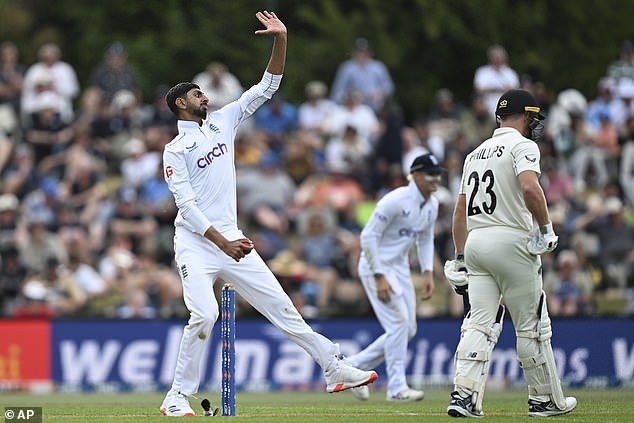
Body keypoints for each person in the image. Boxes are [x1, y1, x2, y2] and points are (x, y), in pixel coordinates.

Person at [159, 11, 377, 417]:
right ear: (179, 104)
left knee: (284, 310)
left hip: (231, 239)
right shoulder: (174, 150)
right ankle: (176, 396)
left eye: (205, 93)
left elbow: (267, 86)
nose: (205, 97)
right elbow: (186, 209)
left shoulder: (223, 121)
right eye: (197, 94)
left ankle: (333, 368)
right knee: (204, 314)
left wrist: (281, 39)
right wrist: (222, 242)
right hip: (198, 243)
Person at [443, 89, 577, 417]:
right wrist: (546, 229)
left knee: (478, 324)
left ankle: (464, 396)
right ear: (526, 116)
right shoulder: (523, 145)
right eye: (534, 119)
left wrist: (460, 257)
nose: (536, 126)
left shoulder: (474, 154)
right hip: (512, 242)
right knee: (532, 325)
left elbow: (459, 211)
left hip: (476, 244)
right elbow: (530, 188)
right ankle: (544, 399)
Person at [345, 153, 441, 402]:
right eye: (431, 174)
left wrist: (428, 271)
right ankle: (396, 388)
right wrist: (379, 276)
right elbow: (367, 237)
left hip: (399, 267)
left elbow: (425, 238)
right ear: (416, 175)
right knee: (398, 324)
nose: (436, 179)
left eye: (438, 174)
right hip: (374, 266)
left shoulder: (432, 204)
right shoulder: (395, 200)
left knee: (408, 329)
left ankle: (352, 368)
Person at [330, 37, 394, 113]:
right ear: (354, 53)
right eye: (359, 52)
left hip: (376, 109)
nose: (362, 54)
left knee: (394, 112)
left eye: (364, 52)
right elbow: (336, 94)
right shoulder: (346, 68)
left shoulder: (378, 67)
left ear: (369, 53)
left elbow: (389, 88)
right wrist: (352, 97)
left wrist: (380, 93)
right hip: (354, 110)